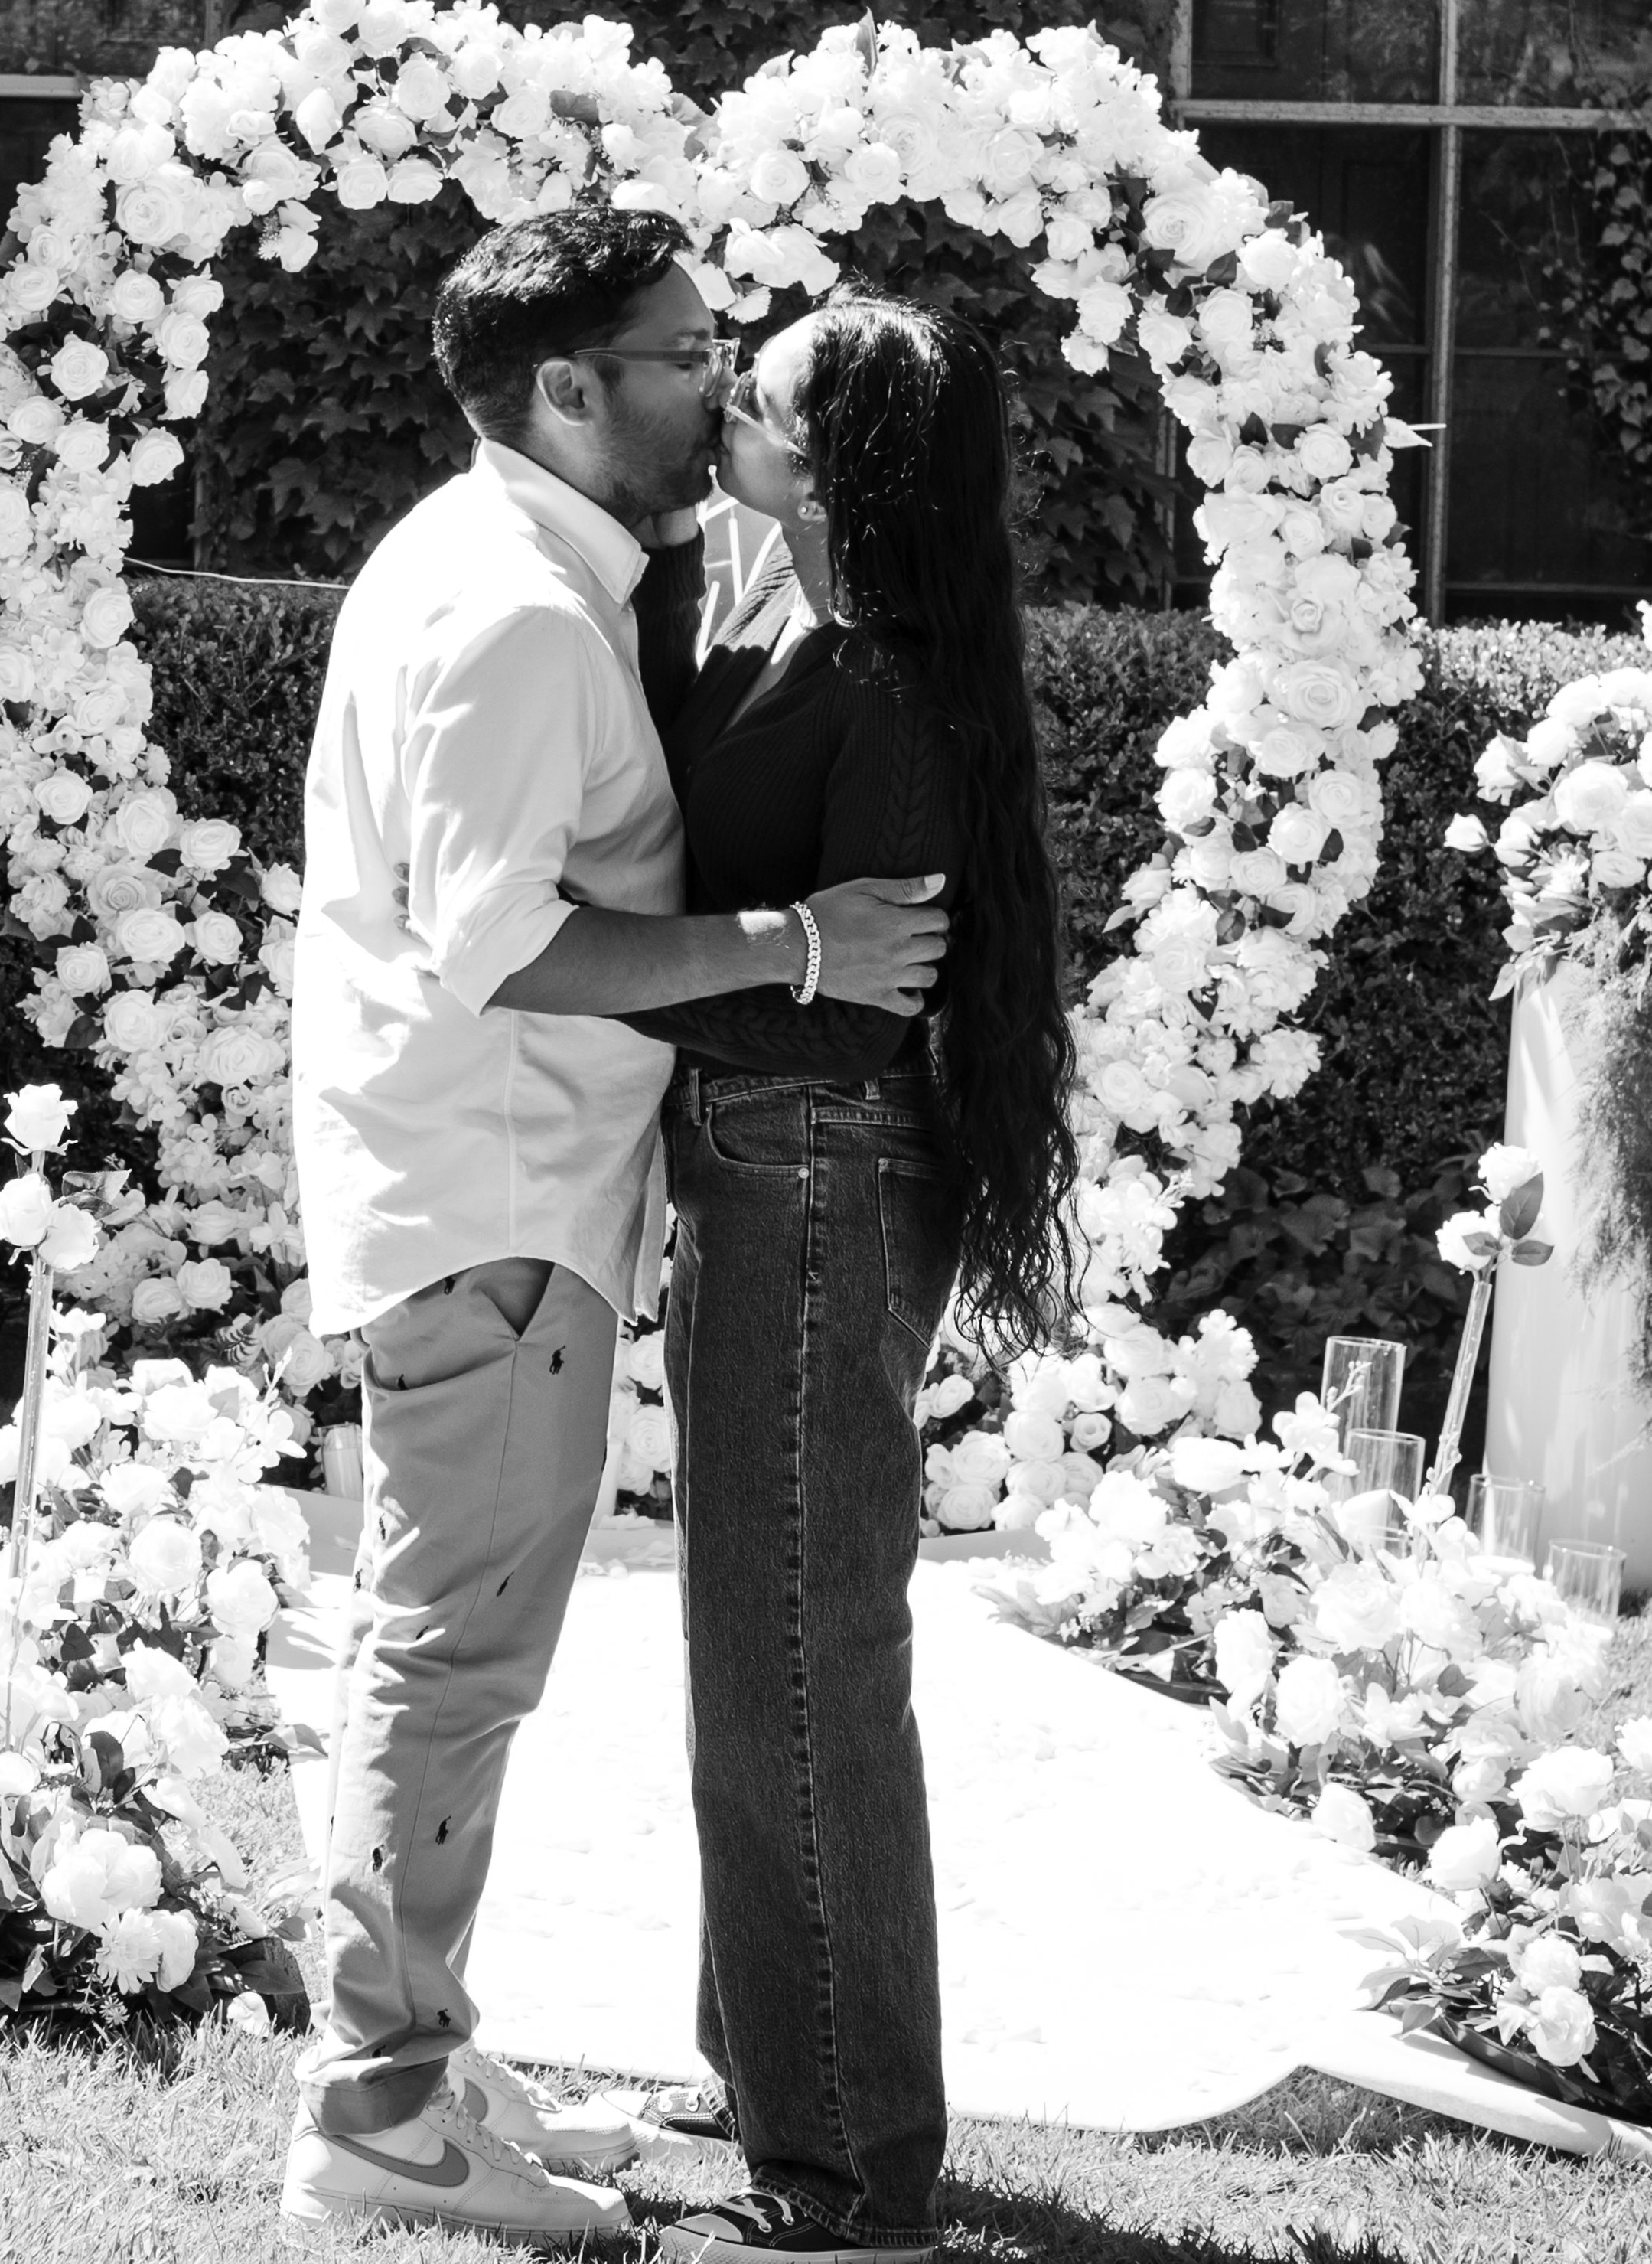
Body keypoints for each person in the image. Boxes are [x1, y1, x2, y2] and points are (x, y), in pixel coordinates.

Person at [282, 207, 950, 2246]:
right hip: (492, 1198)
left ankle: (421, 2051)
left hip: (496, 1194)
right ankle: (377, 2104)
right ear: (568, 389)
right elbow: (498, 944)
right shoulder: (514, 613)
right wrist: (800, 945)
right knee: (451, 1660)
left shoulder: (505, 566)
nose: (715, 379)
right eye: (684, 354)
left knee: (448, 1643)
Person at [614, 289, 1080, 2264]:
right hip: (758, 1190)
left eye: (769, 392)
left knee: (800, 1670)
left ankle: (853, 2176)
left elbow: (848, 1017)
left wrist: (738, 971)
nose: (729, 401)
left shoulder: (884, 689)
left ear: (838, 458)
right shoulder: (775, 621)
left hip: (804, 1184)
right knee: (757, 1656)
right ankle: (763, 2072)